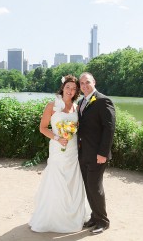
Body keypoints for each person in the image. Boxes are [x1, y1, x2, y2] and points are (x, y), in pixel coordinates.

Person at [29, 75, 85, 233]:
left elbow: (79, 127)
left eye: (74, 89)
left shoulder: (76, 107)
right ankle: (53, 218)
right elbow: (42, 128)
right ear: (63, 88)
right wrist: (57, 137)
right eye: (68, 87)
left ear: (76, 91)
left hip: (73, 149)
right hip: (57, 148)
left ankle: (72, 217)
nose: (71, 91)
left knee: (72, 180)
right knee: (56, 180)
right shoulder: (51, 106)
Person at [77, 72, 115, 235]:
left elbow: (109, 128)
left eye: (87, 82)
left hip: (98, 154)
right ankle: (94, 217)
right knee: (88, 187)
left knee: (95, 186)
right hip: (83, 153)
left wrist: (103, 153)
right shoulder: (81, 102)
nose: (84, 85)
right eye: (82, 83)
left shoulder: (103, 100)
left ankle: (103, 221)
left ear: (94, 82)